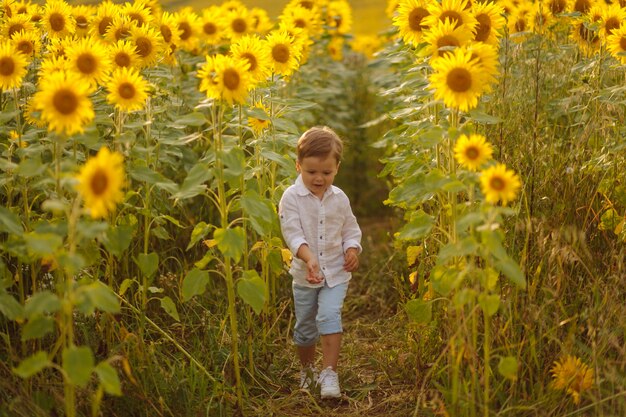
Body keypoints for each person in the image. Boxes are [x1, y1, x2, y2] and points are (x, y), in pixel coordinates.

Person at [278, 126, 362, 399]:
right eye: (311, 172)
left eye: (326, 173)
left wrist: (351, 249)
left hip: (336, 273)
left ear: (337, 168)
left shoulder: (340, 198)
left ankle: (329, 373)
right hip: (305, 275)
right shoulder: (291, 198)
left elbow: (350, 228)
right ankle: (307, 371)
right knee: (305, 327)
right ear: (298, 165)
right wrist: (309, 258)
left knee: (328, 315)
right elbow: (292, 233)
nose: (318, 178)